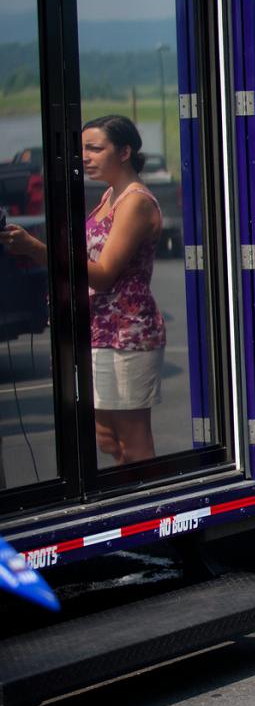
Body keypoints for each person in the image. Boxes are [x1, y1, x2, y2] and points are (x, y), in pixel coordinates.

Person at [2, 115, 165, 465]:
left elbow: (103, 274)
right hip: (95, 330)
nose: (85, 157)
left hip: (125, 333)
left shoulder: (135, 201)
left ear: (124, 152)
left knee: (133, 444)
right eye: (82, 150)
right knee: (107, 440)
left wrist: (36, 249)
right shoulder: (110, 194)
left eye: (94, 148)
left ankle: (150, 512)